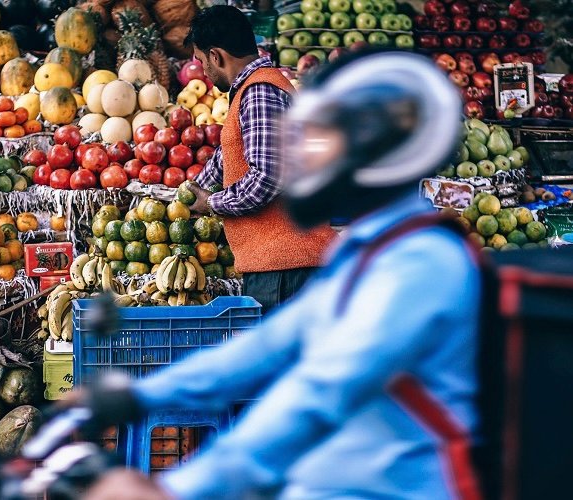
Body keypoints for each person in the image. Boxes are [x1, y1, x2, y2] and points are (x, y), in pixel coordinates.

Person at [81, 51, 482, 500]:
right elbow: (268, 344)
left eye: (324, 140)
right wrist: (142, 394)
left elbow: (318, 394)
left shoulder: (421, 263)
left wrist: (179, 487)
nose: (306, 156)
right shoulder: (363, 249)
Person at [184, 5, 335, 313]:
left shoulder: (259, 92)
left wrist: (211, 203)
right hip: (281, 266)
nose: (204, 72)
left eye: (201, 62)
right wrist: (191, 191)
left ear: (216, 56)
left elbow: (267, 176)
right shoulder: (253, 91)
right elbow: (231, 152)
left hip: (287, 269)